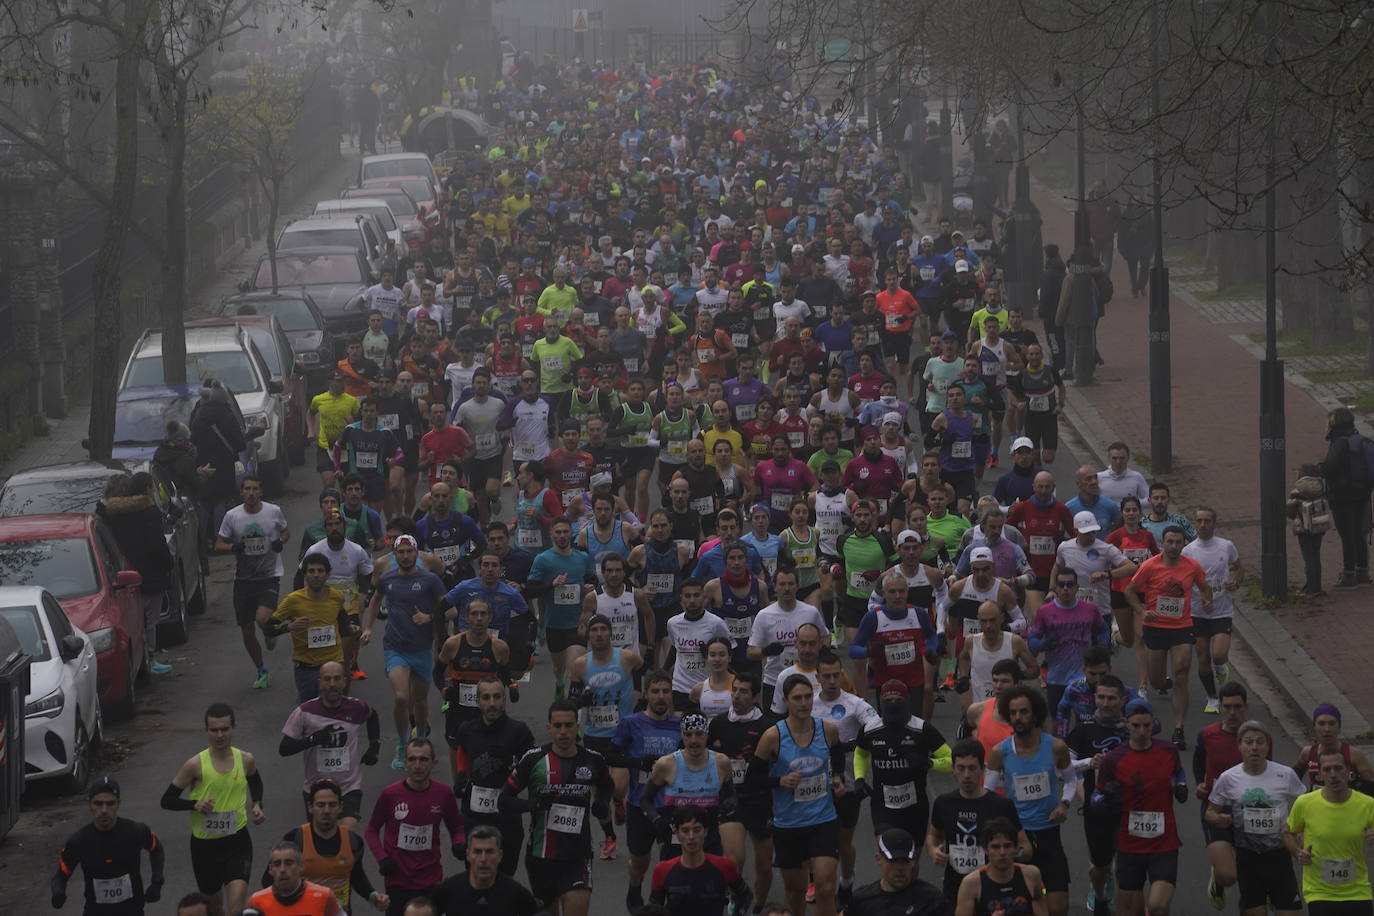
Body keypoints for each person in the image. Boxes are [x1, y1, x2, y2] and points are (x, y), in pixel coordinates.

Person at [501, 700, 614, 916]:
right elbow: (504, 800)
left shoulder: (592, 760)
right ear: (549, 728)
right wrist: (531, 804)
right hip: (541, 856)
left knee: (576, 904)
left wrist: (602, 802)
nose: (563, 732)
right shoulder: (533, 760)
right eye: (558, 725)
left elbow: (607, 785)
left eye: (569, 725)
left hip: (577, 855)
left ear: (577, 727)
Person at [747, 673, 846, 916]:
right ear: (786, 701)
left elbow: (838, 755)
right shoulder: (773, 737)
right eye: (797, 698)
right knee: (794, 890)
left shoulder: (828, 729)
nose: (804, 703)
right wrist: (780, 780)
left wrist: (836, 777)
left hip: (823, 819)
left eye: (808, 697)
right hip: (789, 824)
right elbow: (751, 780)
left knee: (824, 887)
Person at [161, 703, 267, 916]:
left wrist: (257, 804)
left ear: (233, 729)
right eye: (214, 730)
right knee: (215, 909)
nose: (220, 735)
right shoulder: (195, 765)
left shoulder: (245, 759)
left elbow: (255, 781)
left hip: (237, 841)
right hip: (205, 847)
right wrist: (194, 804)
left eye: (225, 729)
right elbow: (167, 800)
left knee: (236, 908)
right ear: (206, 731)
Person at [983, 687, 1074, 916]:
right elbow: (987, 794)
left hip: (1049, 834)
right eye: (1013, 713)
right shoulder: (1000, 752)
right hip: (1017, 837)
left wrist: (1064, 804)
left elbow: (1071, 781)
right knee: (1025, 904)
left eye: (1023, 712)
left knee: (1057, 906)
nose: (1018, 718)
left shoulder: (1055, 747)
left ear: (1035, 715)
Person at [361, 534, 449, 769]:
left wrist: (429, 617)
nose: (406, 556)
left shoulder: (430, 580)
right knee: (402, 697)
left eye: (410, 552)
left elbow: (450, 610)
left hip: (421, 649)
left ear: (417, 553)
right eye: (401, 552)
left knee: (419, 702)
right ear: (395, 554)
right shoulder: (387, 579)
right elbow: (376, 600)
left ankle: (420, 739)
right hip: (395, 648)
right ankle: (402, 744)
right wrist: (368, 628)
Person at [1094, 698, 1187, 916]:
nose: (1142, 731)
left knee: (1157, 906)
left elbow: (1179, 772)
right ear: (1126, 723)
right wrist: (1106, 800)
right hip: (1129, 845)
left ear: (1154, 723)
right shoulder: (1113, 759)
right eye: (1136, 726)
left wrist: (1181, 785)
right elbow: (1095, 797)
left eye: (1147, 725)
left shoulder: (1168, 751)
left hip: (1164, 843)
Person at [1125, 526, 1212, 748]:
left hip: (1182, 627)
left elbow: (1204, 586)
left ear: (1183, 544)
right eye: (1170, 542)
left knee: (1182, 673)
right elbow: (1130, 591)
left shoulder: (1191, 566)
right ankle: (1164, 681)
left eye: (1178, 542)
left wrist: (1206, 600)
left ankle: (1179, 728)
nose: (1174, 546)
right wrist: (1142, 611)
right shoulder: (1150, 565)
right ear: (1162, 543)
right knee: (1156, 681)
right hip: (1155, 627)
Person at [1206, 721, 1306, 916]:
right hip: (1248, 857)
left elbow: (1306, 804)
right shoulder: (1228, 778)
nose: (1254, 747)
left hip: (1279, 855)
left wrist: (1300, 830)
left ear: (1267, 747)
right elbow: (1209, 812)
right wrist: (1218, 819)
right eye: (1249, 742)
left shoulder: (1285, 774)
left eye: (1260, 742)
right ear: (1239, 746)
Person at [365, 736, 465, 916]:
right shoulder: (390, 794)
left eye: (423, 759)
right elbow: (371, 829)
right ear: (405, 763)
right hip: (398, 880)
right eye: (412, 759)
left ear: (433, 762)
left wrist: (459, 842)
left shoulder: (443, 794)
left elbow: (457, 827)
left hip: (431, 879)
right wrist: (382, 859)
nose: (418, 765)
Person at [279, 661, 381, 828]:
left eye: (336, 679)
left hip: (348, 787)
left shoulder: (357, 707)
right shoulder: (304, 712)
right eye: (327, 679)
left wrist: (374, 746)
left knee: (347, 834)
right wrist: (313, 739)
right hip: (316, 789)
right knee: (322, 842)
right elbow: (284, 749)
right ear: (319, 683)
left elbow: (372, 716)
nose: (332, 684)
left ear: (345, 681)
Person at [452, 676, 536, 874]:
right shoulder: (467, 730)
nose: (492, 703)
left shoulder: (519, 731)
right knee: (475, 876)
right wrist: (461, 775)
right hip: (474, 816)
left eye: (497, 697)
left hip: (506, 819)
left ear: (504, 700)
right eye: (486, 697)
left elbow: (531, 769)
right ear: (477, 701)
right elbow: (462, 752)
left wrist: (529, 801)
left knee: (504, 880)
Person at [926, 740, 1026, 904]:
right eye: (961, 768)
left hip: (992, 889)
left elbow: (1024, 846)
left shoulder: (1001, 805)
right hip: (954, 887)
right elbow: (933, 835)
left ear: (982, 770)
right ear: (953, 770)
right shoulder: (943, 803)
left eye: (972, 768)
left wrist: (1005, 854)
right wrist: (932, 850)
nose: (966, 775)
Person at [214, 475, 291, 688]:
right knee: (247, 631)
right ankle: (261, 669)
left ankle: (268, 631)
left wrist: (279, 542)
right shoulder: (232, 516)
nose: (250, 493)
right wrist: (232, 548)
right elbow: (219, 543)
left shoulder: (273, 511)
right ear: (241, 493)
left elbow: (285, 532)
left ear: (261, 492)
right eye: (246, 489)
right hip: (244, 579)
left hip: (269, 575)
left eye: (254, 489)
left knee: (262, 619)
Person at [51, 776, 165, 916]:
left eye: (110, 803)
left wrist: (157, 882)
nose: (104, 810)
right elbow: (61, 876)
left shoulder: (136, 831)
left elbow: (157, 850)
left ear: (119, 803)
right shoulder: (79, 841)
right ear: (89, 804)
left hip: (132, 911)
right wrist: (58, 892)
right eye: (98, 803)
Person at [97, 472, 175, 674]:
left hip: (124, 574)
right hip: (151, 573)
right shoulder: (149, 513)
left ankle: (143, 658)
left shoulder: (113, 515)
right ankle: (151, 657)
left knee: (136, 618)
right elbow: (158, 545)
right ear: (148, 489)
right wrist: (169, 563)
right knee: (151, 618)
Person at [1283, 747, 1374, 915]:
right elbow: (1287, 832)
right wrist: (1298, 852)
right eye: (1327, 769)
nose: (1333, 774)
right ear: (1320, 773)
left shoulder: (1367, 804)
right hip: (1319, 891)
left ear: (1348, 770)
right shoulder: (1305, 803)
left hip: (1358, 890)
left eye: (1338, 768)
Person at [280, 778, 388, 913]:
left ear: (340, 807)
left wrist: (373, 896)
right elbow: (270, 879)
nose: (326, 810)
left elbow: (356, 875)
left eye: (332, 805)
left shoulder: (353, 842)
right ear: (310, 807)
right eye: (320, 805)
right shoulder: (295, 840)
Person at [1182, 506, 1243, 713]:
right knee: (1202, 658)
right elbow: (1183, 580)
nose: (1203, 525)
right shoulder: (1188, 551)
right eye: (1199, 521)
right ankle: (1212, 698)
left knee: (1217, 655)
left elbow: (1239, 567)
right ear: (1194, 523)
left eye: (1207, 521)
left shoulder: (1226, 546)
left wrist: (1236, 582)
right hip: (1197, 612)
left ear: (1214, 523)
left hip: (1221, 610)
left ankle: (1221, 666)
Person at [1025, 569, 1110, 713]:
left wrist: (1101, 649)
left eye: (1070, 585)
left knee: (1085, 722)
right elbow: (1032, 640)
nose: (1065, 589)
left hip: (1084, 678)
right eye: (1061, 584)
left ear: (1077, 588)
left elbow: (1103, 630)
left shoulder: (1090, 609)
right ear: (1056, 588)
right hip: (1056, 677)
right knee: (1057, 722)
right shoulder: (1044, 612)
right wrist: (1043, 645)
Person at [650, 807, 753, 916]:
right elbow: (653, 911)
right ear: (677, 833)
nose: (691, 837)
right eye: (685, 830)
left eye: (697, 830)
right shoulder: (662, 870)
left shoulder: (725, 866)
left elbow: (745, 895)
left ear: (705, 832)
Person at [430, 825, 542, 916]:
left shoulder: (515, 892)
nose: (483, 859)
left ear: (500, 855)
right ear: (468, 855)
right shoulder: (448, 889)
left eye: (489, 852)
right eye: (477, 852)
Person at [1320, 406, 1372, 587]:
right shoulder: (1359, 439)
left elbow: (1330, 468)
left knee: (1347, 535)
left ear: (1334, 422)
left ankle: (1349, 574)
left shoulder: (1339, 442)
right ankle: (1363, 572)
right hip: (1362, 494)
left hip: (1342, 495)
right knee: (1359, 533)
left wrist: (1318, 468)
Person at [952, 816, 1048, 916]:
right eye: (995, 847)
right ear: (985, 850)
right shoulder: (970, 884)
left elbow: (1041, 894)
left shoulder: (1032, 874)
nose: (1002, 852)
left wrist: (1044, 892)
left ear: (1015, 848)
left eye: (1007, 846)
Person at [846, 826, 949, 916]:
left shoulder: (932, 899)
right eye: (893, 861)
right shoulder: (861, 900)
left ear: (913, 860)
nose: (900, 868)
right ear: (878, 859)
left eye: (905, 861)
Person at [248, 841, 344, 916]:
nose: (282, 870)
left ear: (301, 866)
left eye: (288, 863)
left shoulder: (324, 896)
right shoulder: (257, 901)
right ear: (270, 869)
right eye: (277, 864)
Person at [1294, 703, 1374, 792]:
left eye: (1332, 723)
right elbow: (1291, 778)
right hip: (1317, 805)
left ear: (1339, 728)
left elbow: (1371, 786)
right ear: (1314, 727)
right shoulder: (1307, 752)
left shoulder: (1354, 754)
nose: (1327, 729)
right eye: (1321, 723)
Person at [1288, 463, 1332, 595]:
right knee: (1316, 556)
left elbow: (1290, 511)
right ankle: (1316, 586)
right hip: (1319, 527)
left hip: (1304, 528)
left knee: (1308, 558)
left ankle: (1311, 588)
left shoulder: (1298, 490)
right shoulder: (1321, 488)